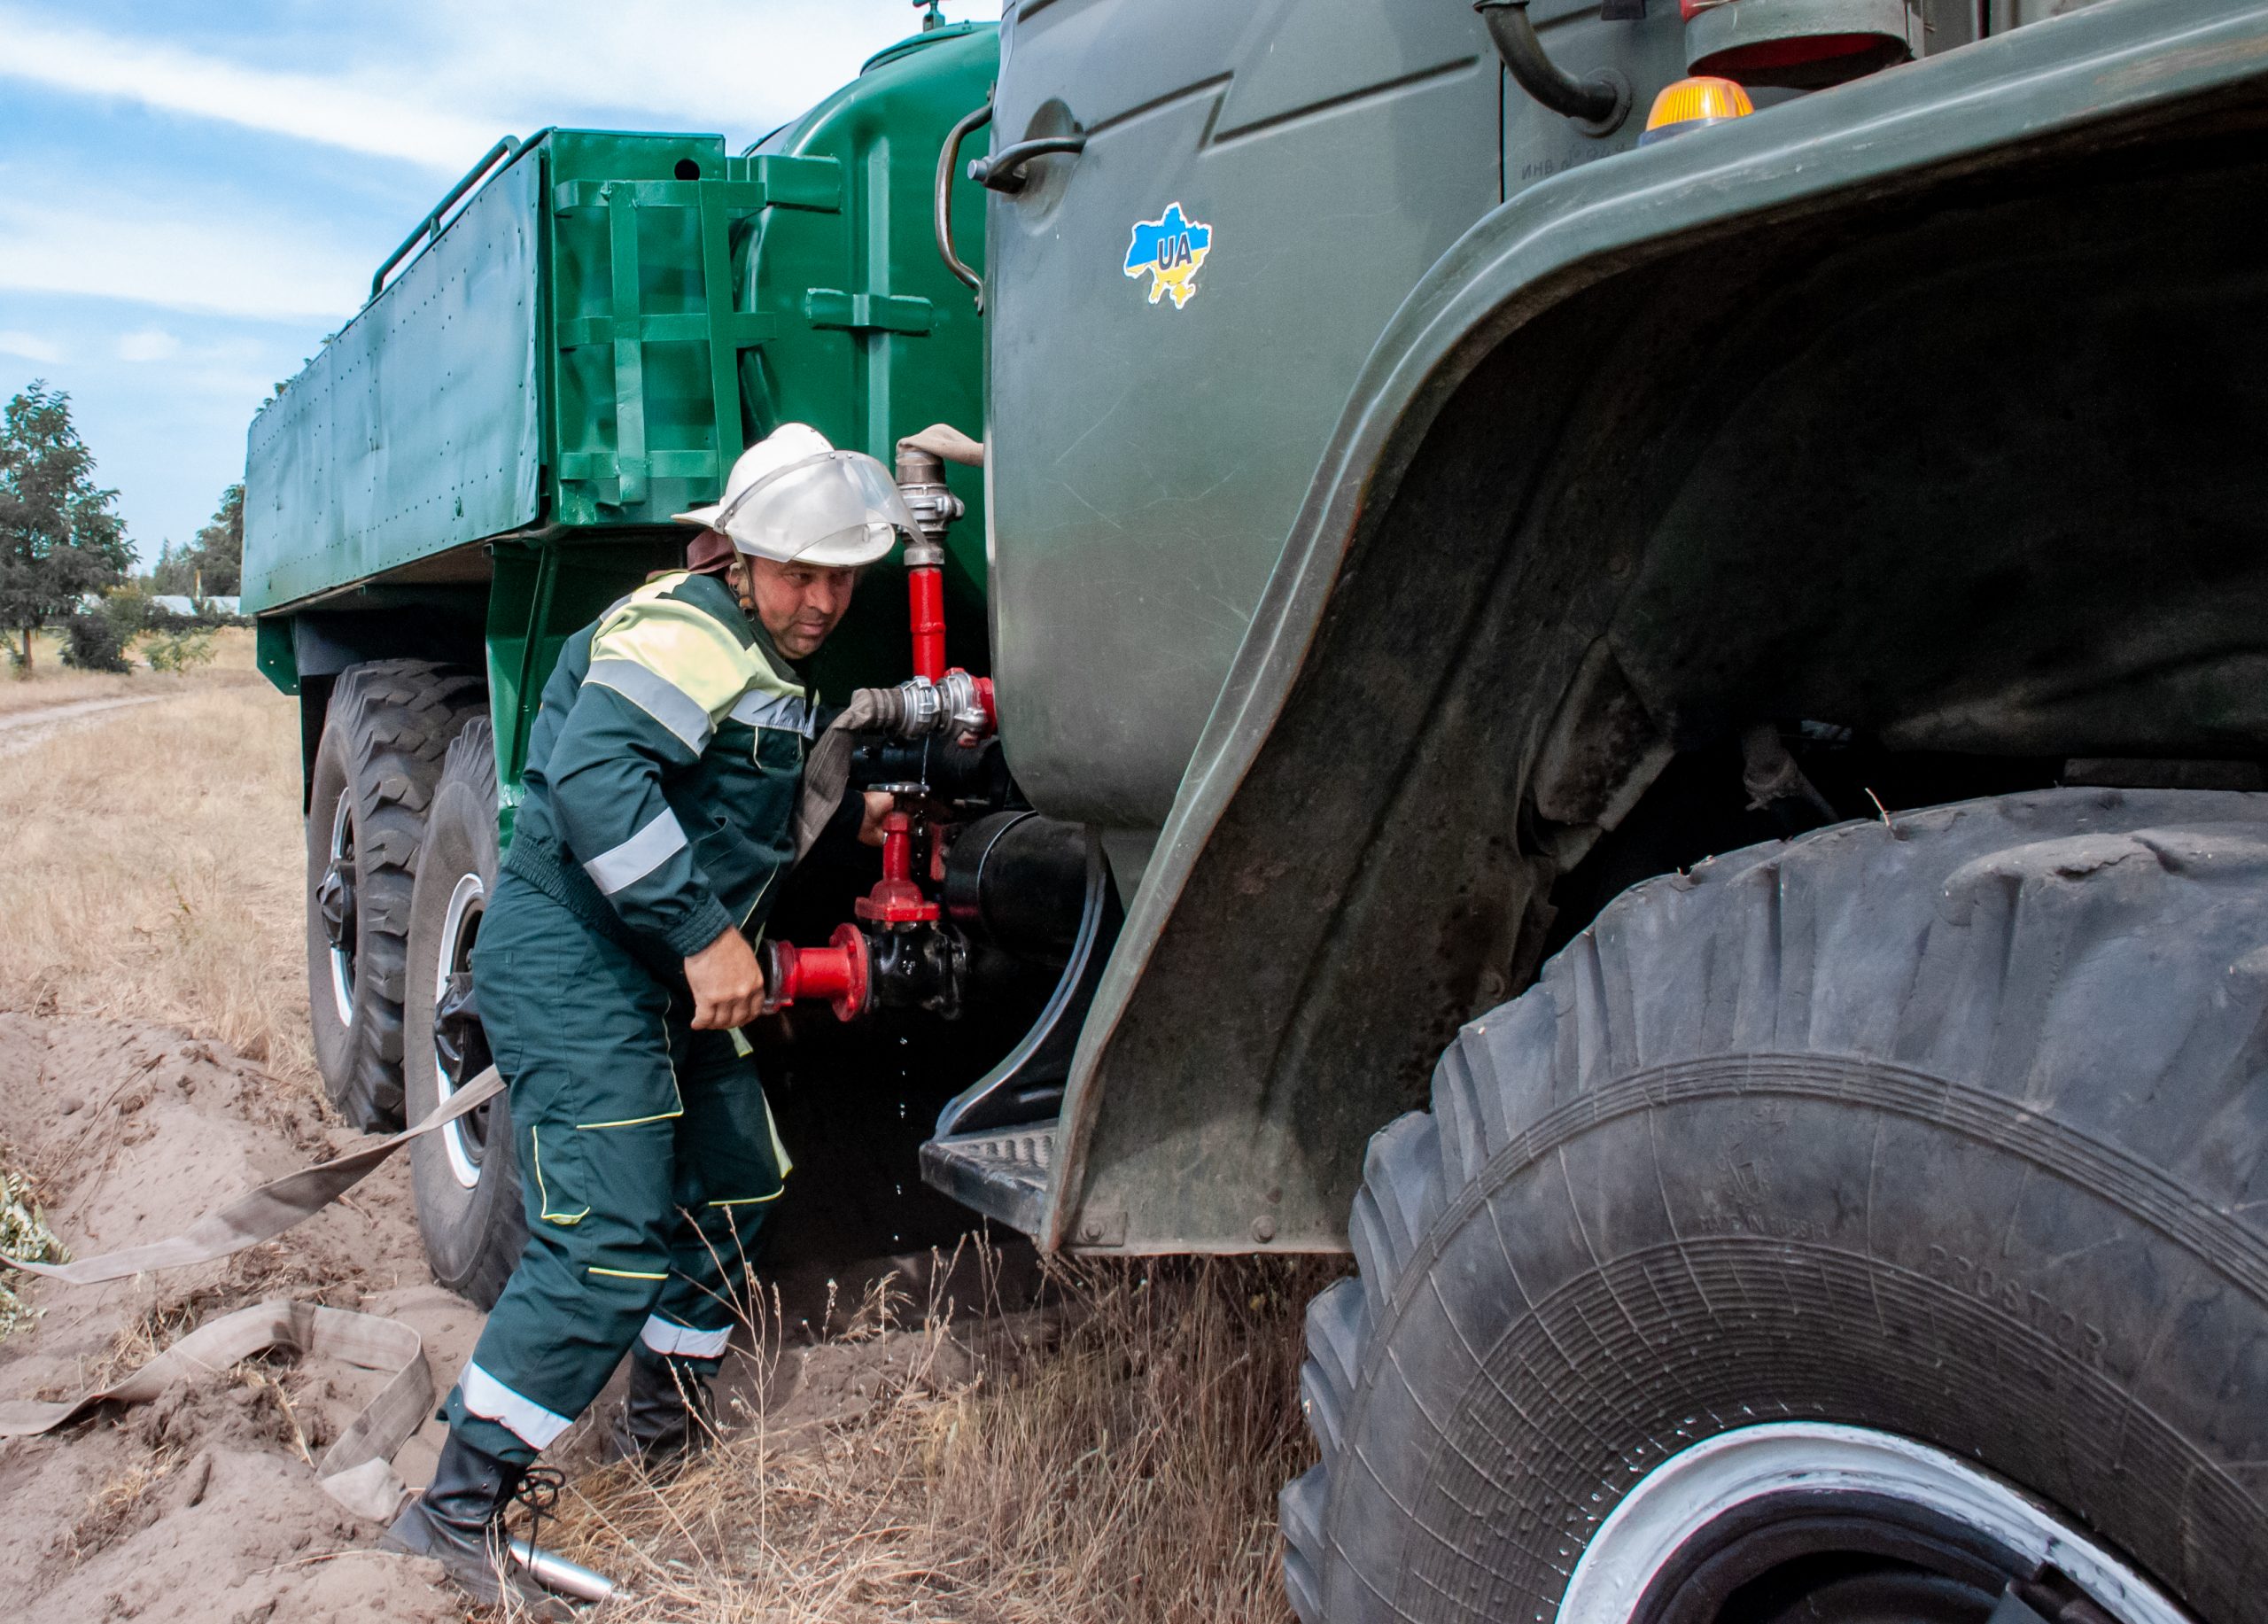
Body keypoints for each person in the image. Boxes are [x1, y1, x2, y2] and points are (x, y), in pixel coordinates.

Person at [382, 423, 912, 1608]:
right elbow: (593, 780)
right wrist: (706, 937)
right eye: (800, 573)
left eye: (841, 577)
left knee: (737, 1182)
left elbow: (725, 807)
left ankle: (660, 1438)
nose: (824, 601)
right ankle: (453, 1512)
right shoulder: (683, 629)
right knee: (606, 1243)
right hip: (580, 962)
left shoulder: (762, 654)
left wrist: (852, 817)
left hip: (652, 971)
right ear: (739, 555)